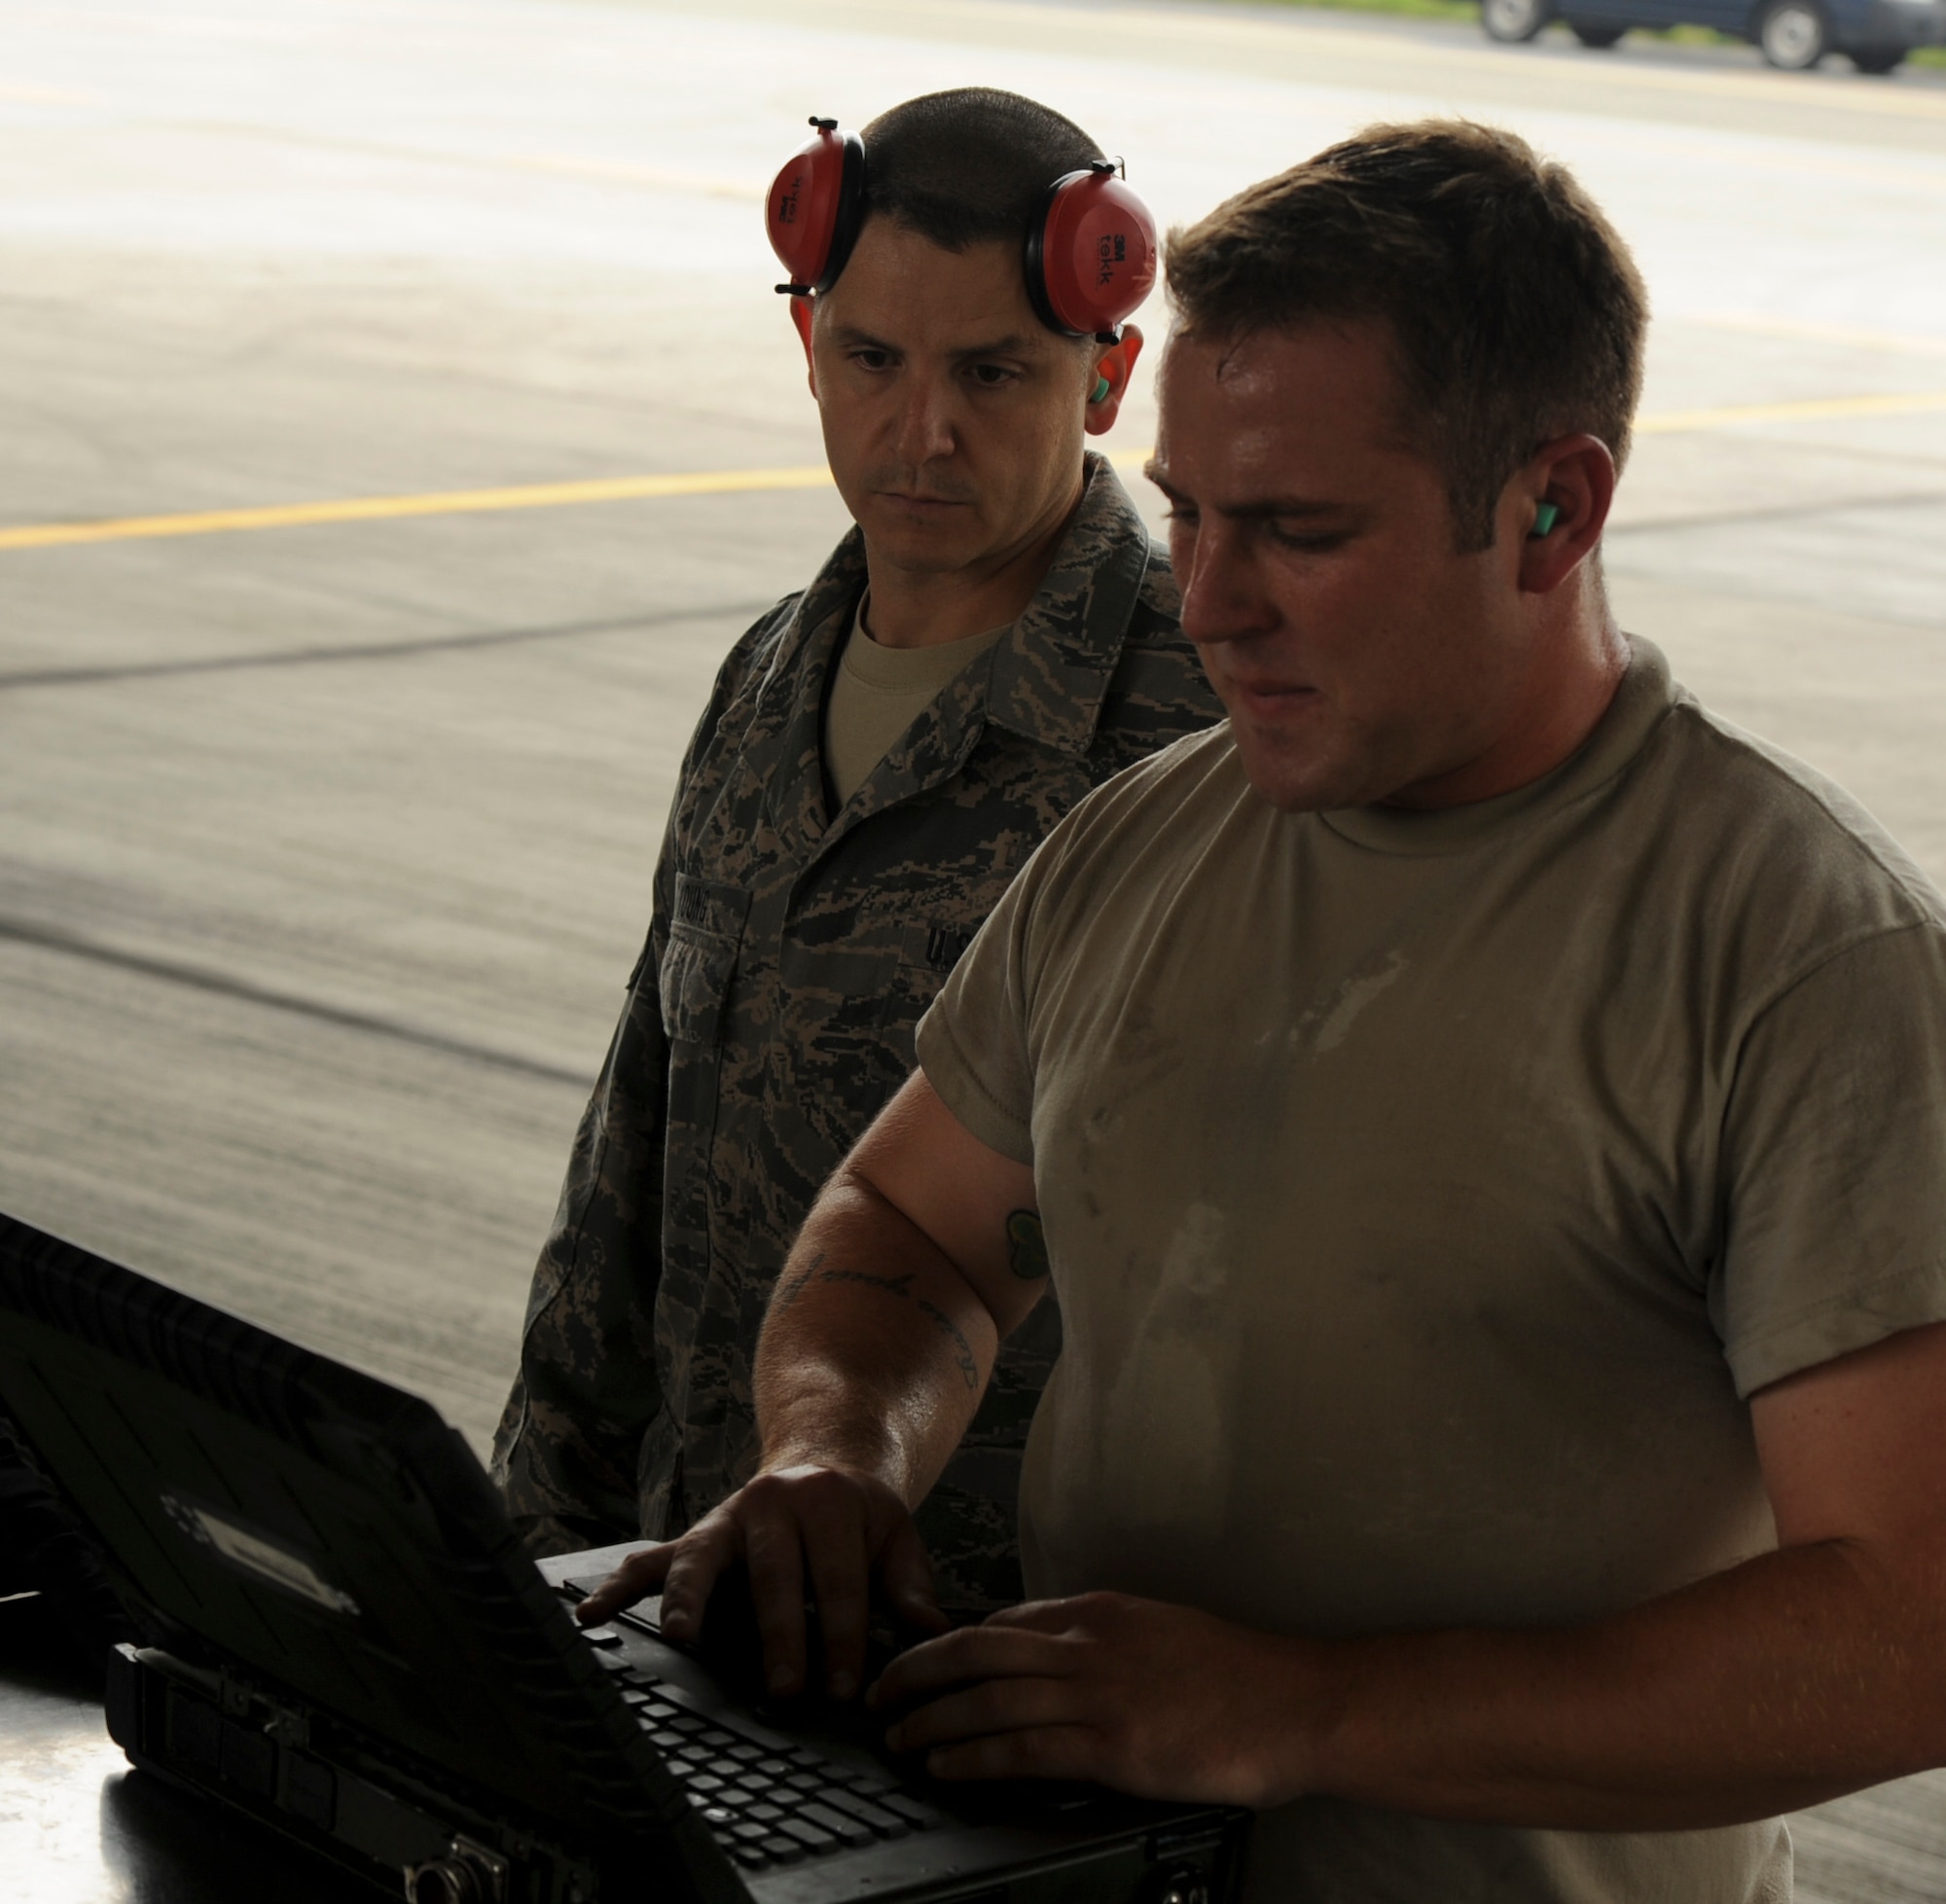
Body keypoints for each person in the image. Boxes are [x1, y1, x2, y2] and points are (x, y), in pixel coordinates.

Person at [577, 121, 1946, 1901]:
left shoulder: (1794, 957)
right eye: (1191, 514)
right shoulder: (1149, 840)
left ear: (1556, 508)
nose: (1208, 605)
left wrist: (1305, 1714)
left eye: (1297, 532)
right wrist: (838, 1449)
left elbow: (1910, 1627)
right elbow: (911, 1224)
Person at [490, 89, 1220, 1615]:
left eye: (993, 372)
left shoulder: (1194, 737)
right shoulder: (770, 678)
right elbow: (630, 1169)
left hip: (992, 1659)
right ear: (808, 345)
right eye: (872, 360)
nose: (922, 429)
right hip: (693, 1597)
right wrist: (533, 1564)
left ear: (1108, 381)